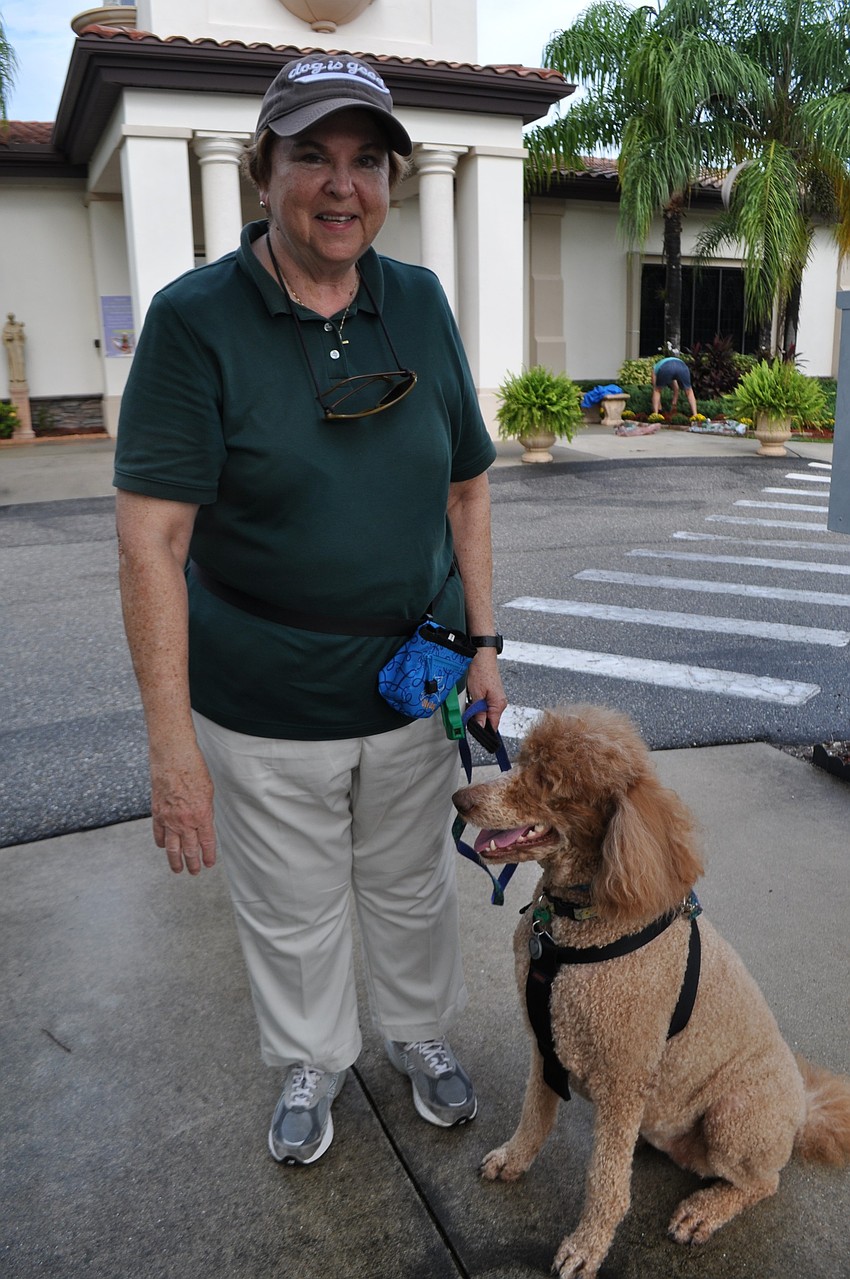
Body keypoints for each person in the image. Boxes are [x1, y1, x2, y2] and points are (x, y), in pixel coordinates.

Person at [113, 54, 507, 1168]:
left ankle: (419, 1034)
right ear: (261, 171)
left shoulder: (418, 301)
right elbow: (154, 538)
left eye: (366, 162)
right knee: (291, 906)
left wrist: (483, 642)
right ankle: (310, 1056)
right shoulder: (195, 321)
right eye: (312, 158)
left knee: (410, 882)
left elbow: (466, 487)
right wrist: (170, 743)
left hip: (414, 680)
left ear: (391, 179)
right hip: (264, 691)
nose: (343, 187)